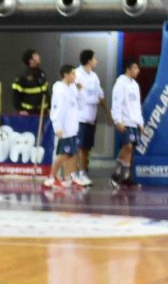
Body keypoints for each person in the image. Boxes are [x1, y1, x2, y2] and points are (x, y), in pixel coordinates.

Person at [75, 49, 110, 186]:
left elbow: (100, 96)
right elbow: (80, 96)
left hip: (91, 117)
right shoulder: (77, 74)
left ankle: (83, 170)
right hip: (80, 117)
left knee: (87, 147)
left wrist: (108, 113)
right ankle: (80, 173)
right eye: (95, 58)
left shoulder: (94, 76)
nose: (96, 61)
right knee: (81, 147)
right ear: (89, 61)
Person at [46, 65, 82, 189]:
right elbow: (56, 110)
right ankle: (51, 177)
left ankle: (68, 177)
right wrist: (58, 127)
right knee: (63, 154)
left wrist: (78, 88)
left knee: (72, 154)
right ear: (66, 75)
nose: (75, 76)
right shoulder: (60, 90)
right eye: (73, 74)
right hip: (64, 129)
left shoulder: (71, 88)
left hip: (72, 128)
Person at [110, 61, 145, 188]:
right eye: (135, 68)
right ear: (128, 69)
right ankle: (115, 175)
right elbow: (116, 103)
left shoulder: (135, 85)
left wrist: (140, 123)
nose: (138, 70)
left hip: (134, 122)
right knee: (128, 147)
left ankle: (125, 177)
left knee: (130, 150)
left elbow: (137, 105)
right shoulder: (120, 83)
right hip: (124, 121)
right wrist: (117, 120)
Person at [12, 49, 50, 115]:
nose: (38, 57)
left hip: (43, 112)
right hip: (29, 113)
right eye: (35, 55)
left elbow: (46, 92)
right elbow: (16, 96)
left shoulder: (41, 73)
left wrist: (49, 107)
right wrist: (20, 110)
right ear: (30, 60)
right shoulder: (22, 76)